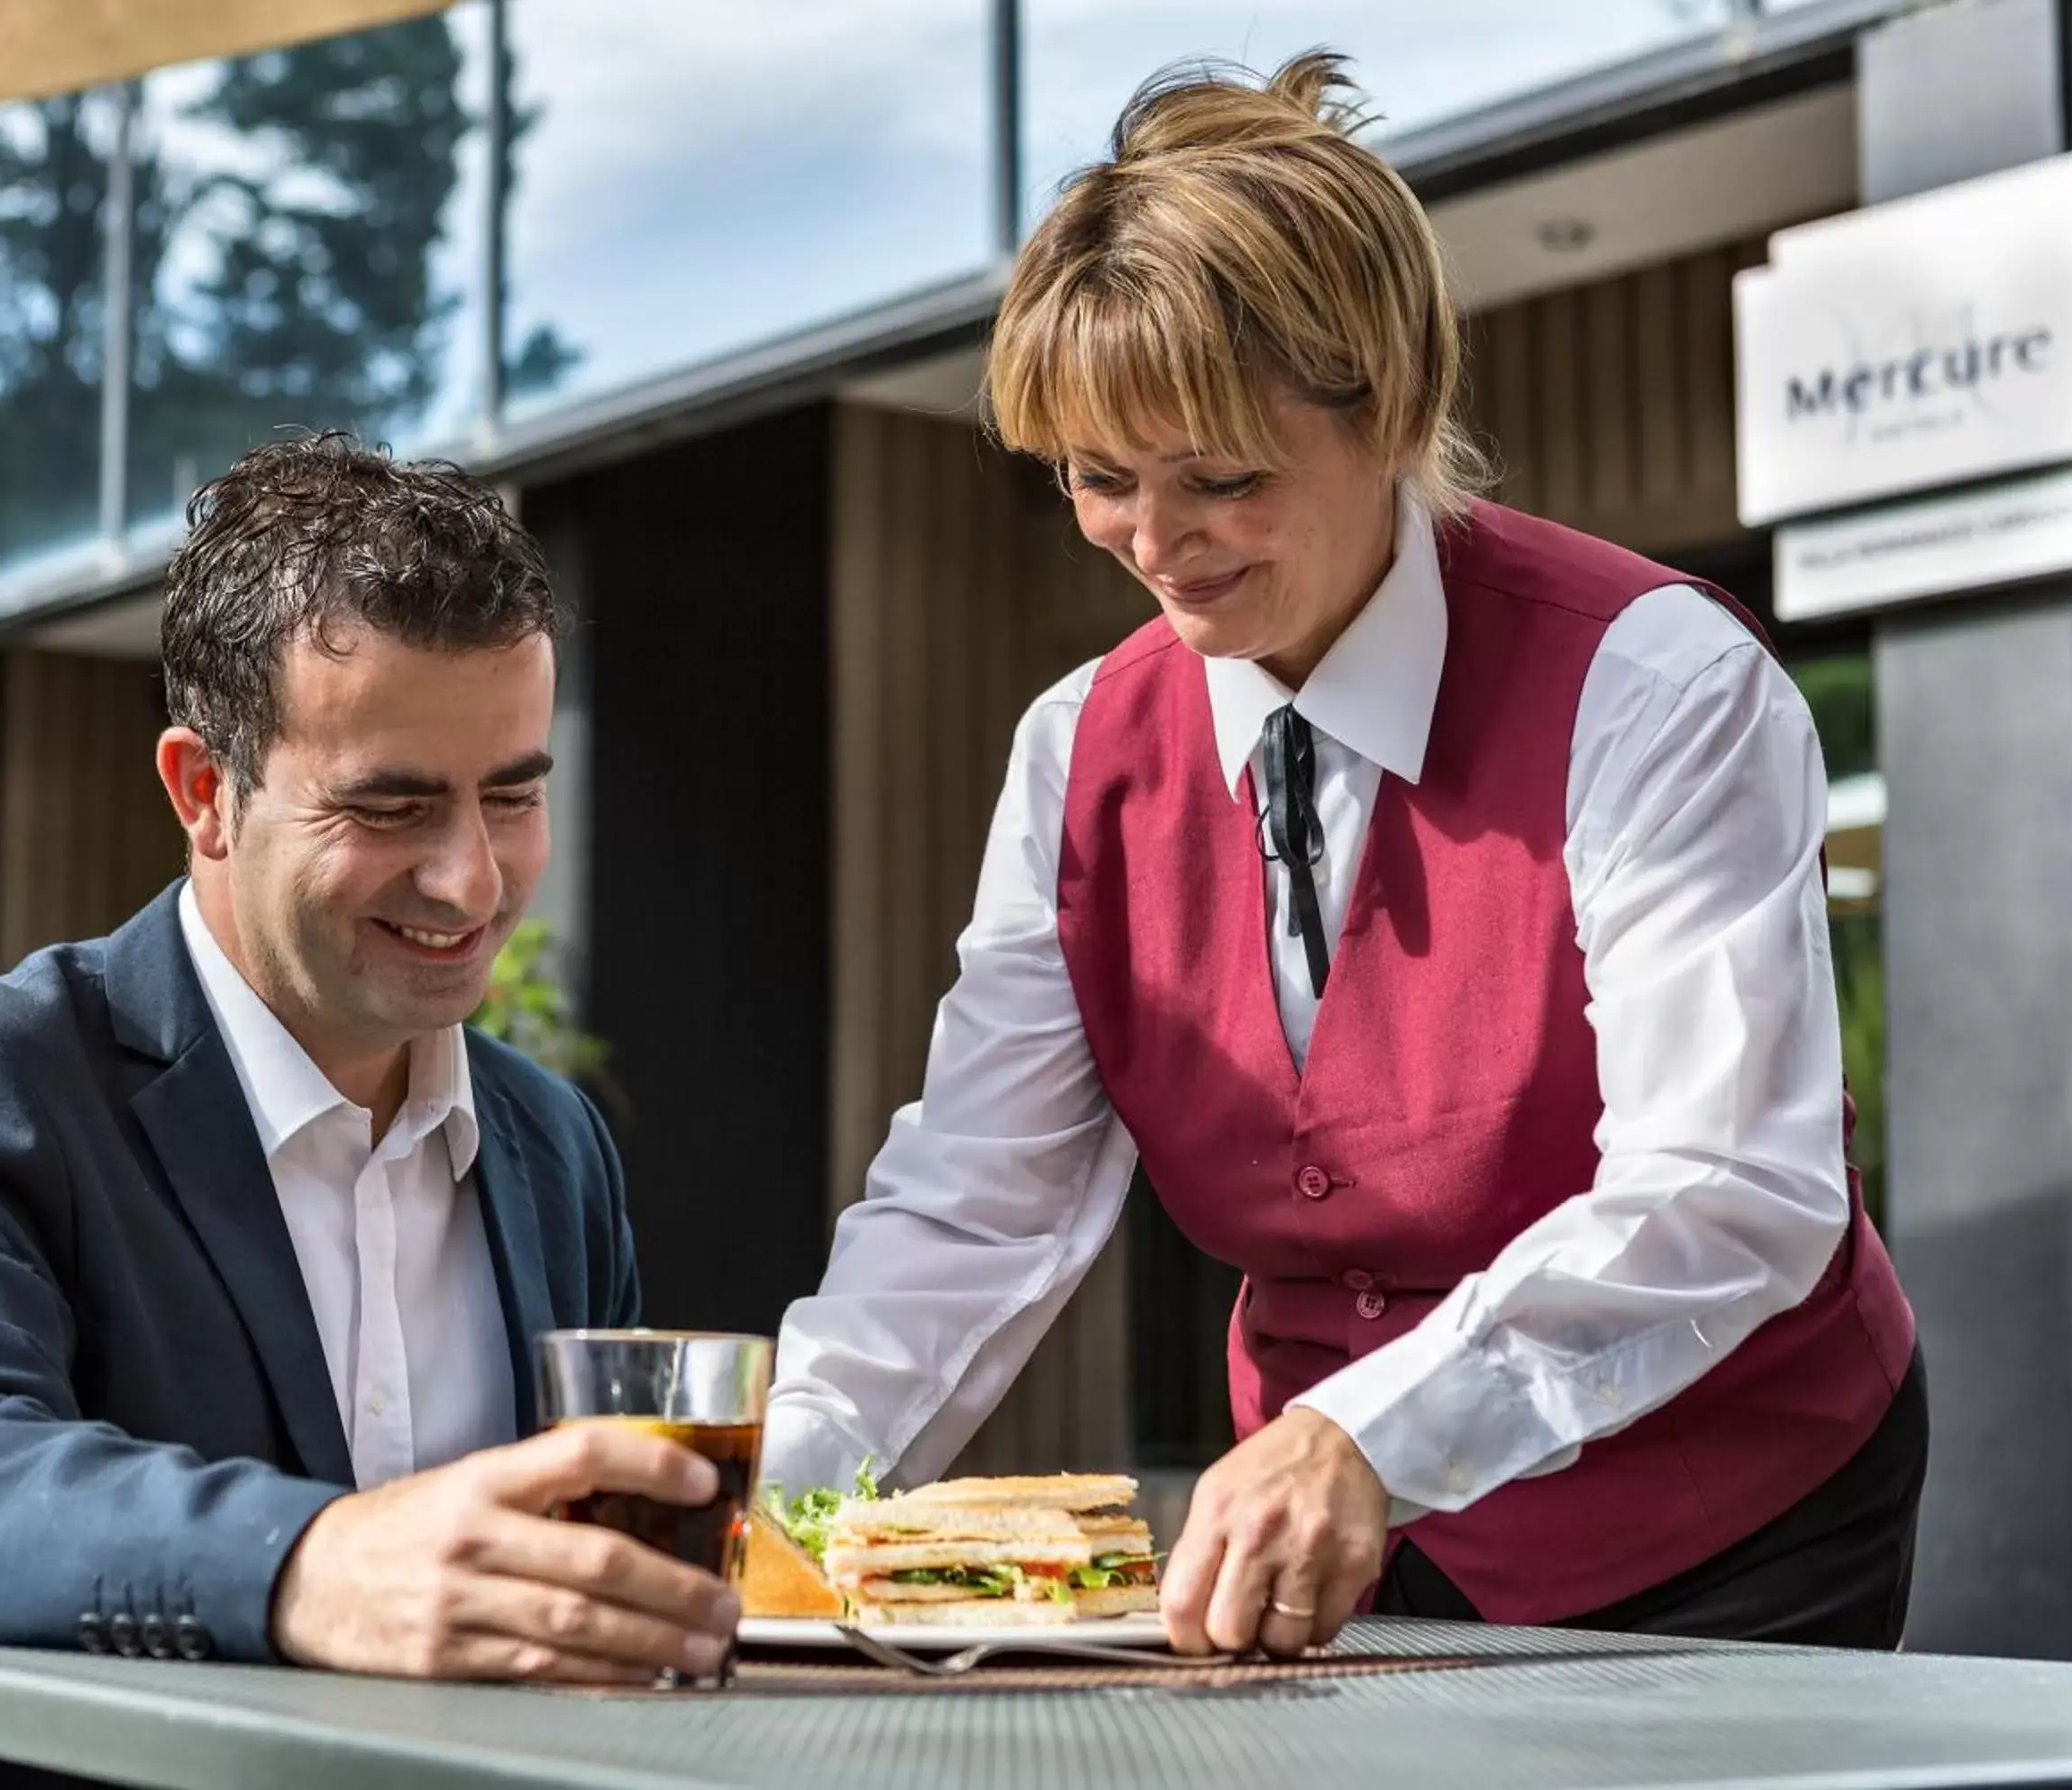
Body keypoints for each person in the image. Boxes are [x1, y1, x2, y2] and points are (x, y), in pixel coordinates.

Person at [762, 53, 1924, 1655]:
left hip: (1726, 1520)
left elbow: (1732, 1182)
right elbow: (979, 1208)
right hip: (1326, 1543)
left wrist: (1374, 1436)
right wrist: (778, 1510)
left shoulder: (1656, 685)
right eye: (1101, 481)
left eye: (1222, 479)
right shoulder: (1075, 753)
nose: (1157, 546)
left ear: (1391, 413)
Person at [0, 435, 737, 1790]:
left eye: (512, 795)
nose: (469, 881)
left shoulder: (552, 1146)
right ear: (204, 793)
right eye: (390, 807)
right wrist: (314, 1567)